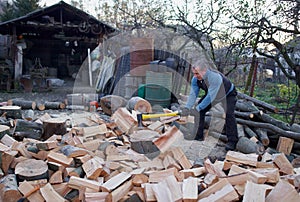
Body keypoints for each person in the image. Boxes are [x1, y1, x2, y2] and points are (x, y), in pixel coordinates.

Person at [181, 55, 238, 151]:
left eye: (197, 73)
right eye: (194, 73)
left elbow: (211, 97)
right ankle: (198, 135)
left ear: (205, 70)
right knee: (200, 111)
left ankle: (232, 141)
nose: (195, 76)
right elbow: (193, 94)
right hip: (213, 93)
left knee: (229, 115)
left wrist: (197, 109)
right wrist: (187, 107)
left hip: (228, 94)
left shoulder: (214, 77)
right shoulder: (196, 79)